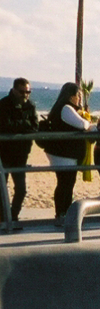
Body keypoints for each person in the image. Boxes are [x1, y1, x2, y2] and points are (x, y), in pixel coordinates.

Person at [42, 82, 93, 228]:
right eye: (78, 95)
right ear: (71, 96)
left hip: (65, 153)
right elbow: (82, 125)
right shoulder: (66, 108)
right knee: (65, 183)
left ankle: (64, 213)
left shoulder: (63, 108)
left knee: (67, 183)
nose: (79, 98)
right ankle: (61, 214)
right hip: (63, 153)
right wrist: (88, 124)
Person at [0, 77, 38, 230]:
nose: (25, 95)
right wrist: (24, 125)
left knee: (21, 189)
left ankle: (13, 216)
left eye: (28, 92)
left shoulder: (30, 106)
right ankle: (4, 218)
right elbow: (5, 126)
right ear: (14, 90)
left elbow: (35, 127)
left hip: (21, 154)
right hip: (4, 153)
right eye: (22, 92)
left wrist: (20, 125)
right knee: (2, 189)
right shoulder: (3, 105)